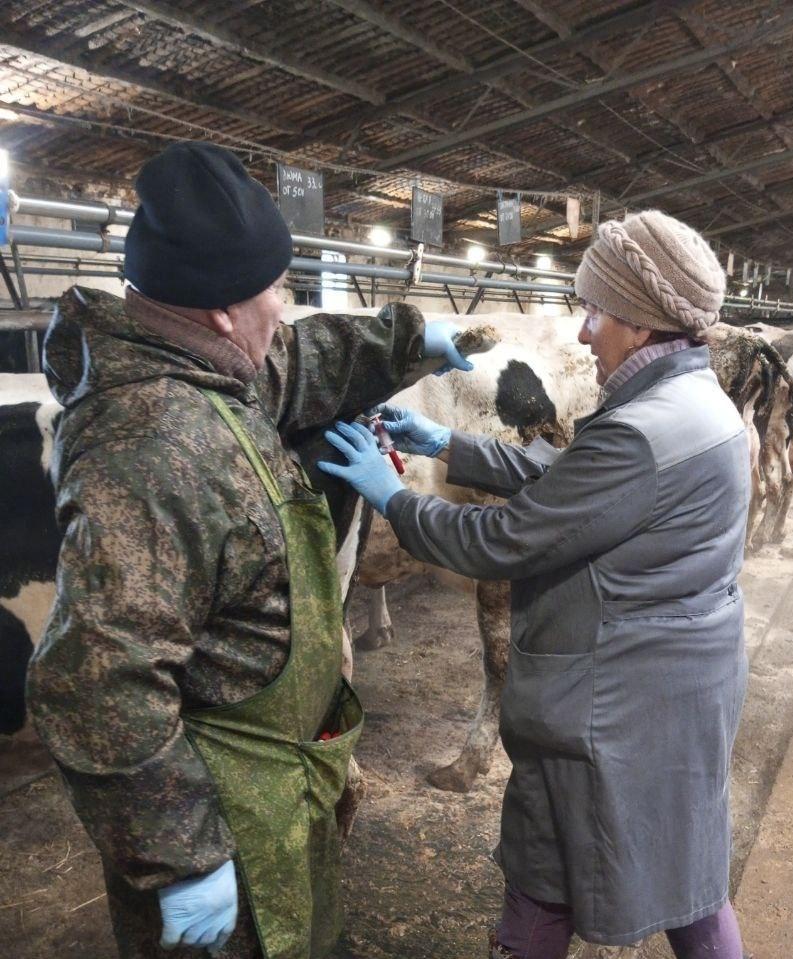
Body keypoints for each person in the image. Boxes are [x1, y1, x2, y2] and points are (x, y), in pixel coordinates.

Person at [26, 141, 472, 959]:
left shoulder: (201, 369)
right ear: (224, 311)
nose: (285, 304)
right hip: (216, 811)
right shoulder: (157, 448)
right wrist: (182, 855)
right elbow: (96, 681)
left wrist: (409, 341)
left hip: (271, 788)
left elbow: (296, 365)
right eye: (278, 287)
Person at [320, 211, 752, 959]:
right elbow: (576, 484)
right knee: (694, 880)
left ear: (643, 327)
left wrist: (391, 498)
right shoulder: (697, 405)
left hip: (606, 711)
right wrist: (449, 446)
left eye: (596, 312)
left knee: (542, 874)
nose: (584, 333)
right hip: (681, 693)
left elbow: (504, 537)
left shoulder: (637, 431)